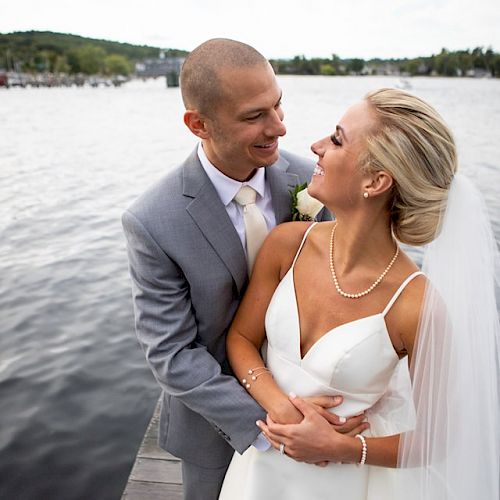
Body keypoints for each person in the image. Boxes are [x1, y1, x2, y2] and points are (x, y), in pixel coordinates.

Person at [219, 88, 500, 499]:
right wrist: (278, 405)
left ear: (376, 181)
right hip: (259, 468)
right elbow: (241, 338)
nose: (315, 146)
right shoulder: (288, 244)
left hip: (344, 483)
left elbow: (440, 440)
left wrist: (340, 446)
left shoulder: (417, 306)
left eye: (336, 139)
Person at [122, 38, 364, 500]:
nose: (279, 127)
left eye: (278, 106)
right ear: (199, 124)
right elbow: (171, 354)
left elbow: (342, 281)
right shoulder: (152, 220)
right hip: (217, 425)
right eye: (255, 116)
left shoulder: (311, 181)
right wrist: (271, 415)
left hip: (318, 406)